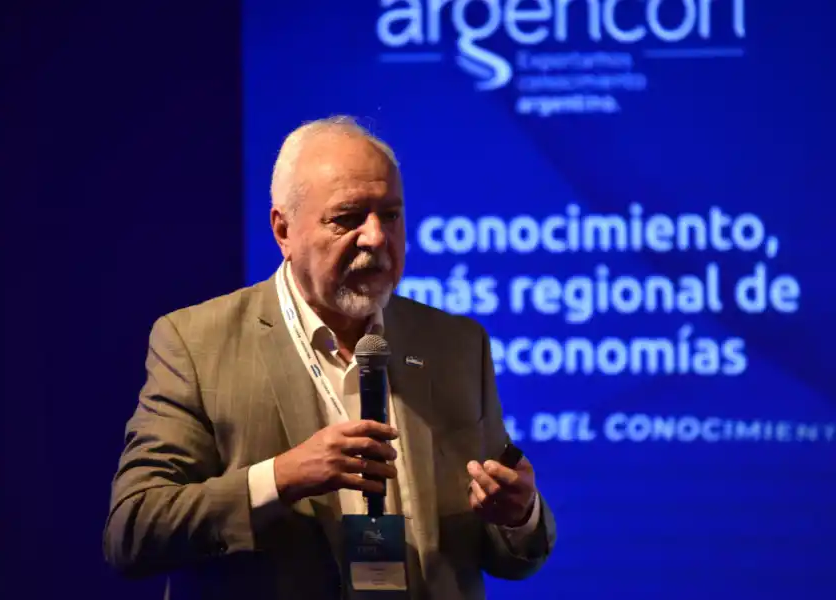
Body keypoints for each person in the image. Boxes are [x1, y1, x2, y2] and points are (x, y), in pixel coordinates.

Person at [103, 116, 556, 599]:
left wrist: (518, 515)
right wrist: (282, 476)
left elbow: (504, 552)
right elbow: (135, 528)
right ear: (283, 230)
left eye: (392, 215)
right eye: (348, 218)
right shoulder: (197, 343)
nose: (376, 238)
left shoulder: (455, 344)